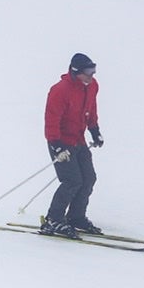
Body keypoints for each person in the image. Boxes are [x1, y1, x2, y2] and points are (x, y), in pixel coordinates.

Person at [42, 53, 105, 238]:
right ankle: (53, 219)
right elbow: (51, 120)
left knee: (88, 179)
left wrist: (94, 130)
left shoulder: (92, 86)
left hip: (79, 140)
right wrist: (56, 146)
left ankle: (76, 217)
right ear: (75, 71)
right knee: (72, 181)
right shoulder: (59, 91)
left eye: (93, 71)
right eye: (88, 72)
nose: (91, 76)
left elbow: (92, 109)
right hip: (60, 141)